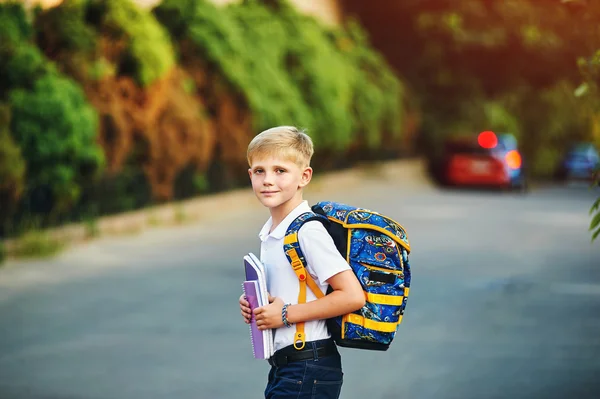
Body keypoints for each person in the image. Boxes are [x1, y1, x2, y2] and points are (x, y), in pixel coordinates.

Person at [239, 126, 365, 398]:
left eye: (280, 171)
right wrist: (259, 305)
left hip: (309, 366)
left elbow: (352, 296)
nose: (268, 180)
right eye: (259, 171)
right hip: (287, 366)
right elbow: (294, 290)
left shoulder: (307, 231)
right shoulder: (273, 231)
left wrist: (284, 315)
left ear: (304, 176)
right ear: (250, 175)